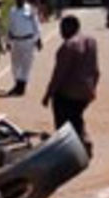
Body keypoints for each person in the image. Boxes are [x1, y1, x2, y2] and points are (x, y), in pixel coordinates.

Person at [43, 15, 100, 155]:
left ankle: (69, 152)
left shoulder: (68, 46)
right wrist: (93, 88)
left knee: (64, 124)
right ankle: (84, 141)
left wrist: (48, 94)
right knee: (76, 117)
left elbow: (59, 74)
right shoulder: (91, 42)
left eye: (62, 28)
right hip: (86, 91)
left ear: (70, 28)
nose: (60, 32)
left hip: (69, 93)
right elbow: (96, 70)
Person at [5, 0, 42, 96]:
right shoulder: (12, 11)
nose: (20, 0)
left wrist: (38, 40)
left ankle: (21, 87)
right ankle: (17, 84)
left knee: (26, 65)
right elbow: (10, 26)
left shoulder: (31, 9)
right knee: (15, 65)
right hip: (16, 41)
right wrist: (8, 41)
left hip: (28, 41)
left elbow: (36, 25)